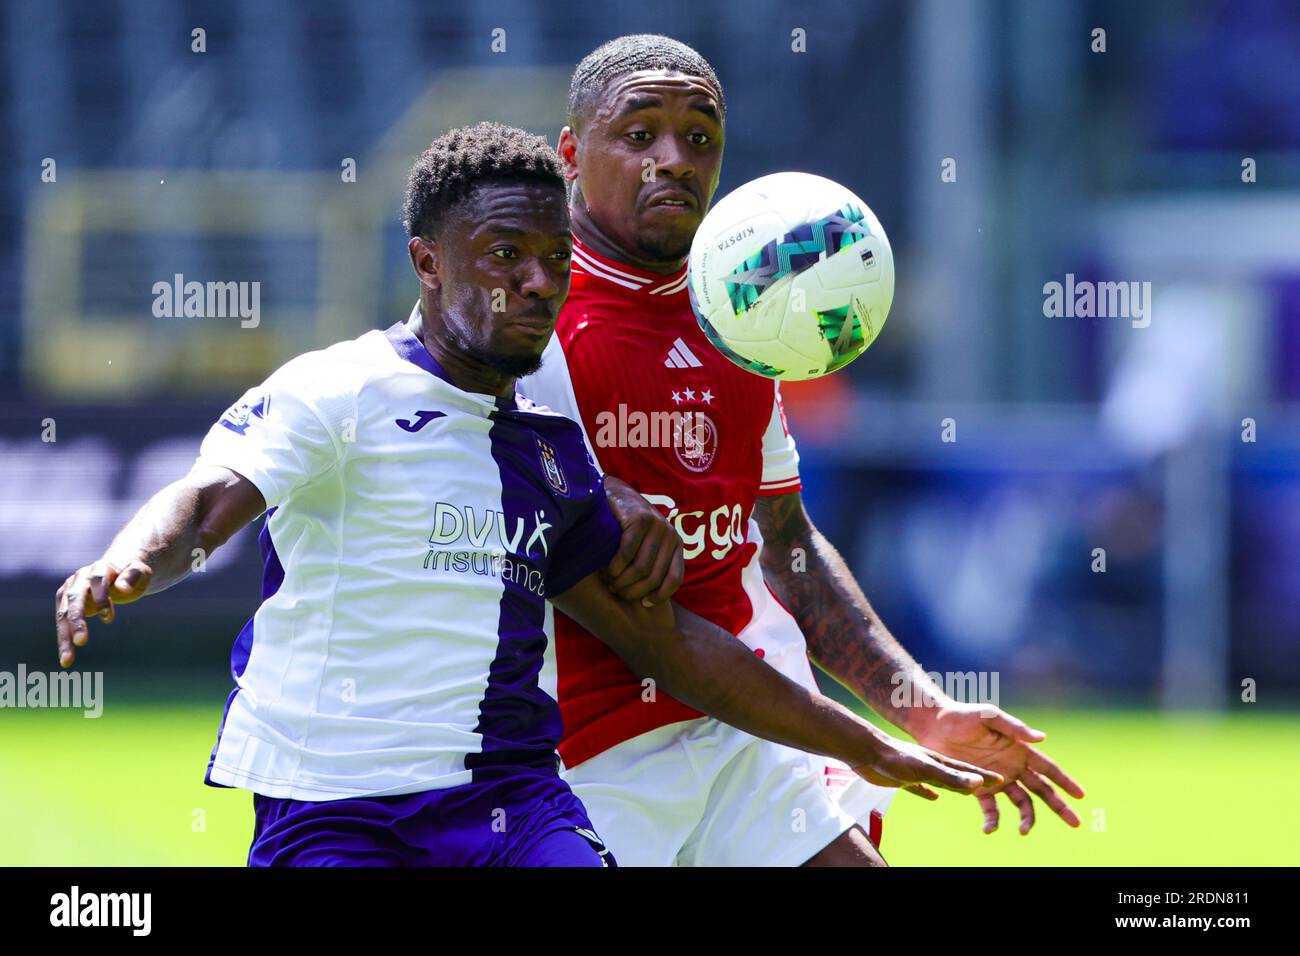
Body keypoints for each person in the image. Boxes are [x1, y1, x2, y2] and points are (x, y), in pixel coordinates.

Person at [54, 122, 999, 867]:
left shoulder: (549, 455)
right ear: (429, 263)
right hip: (329, 797)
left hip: (504, 799)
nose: (537, 283)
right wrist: (132, 560)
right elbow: (211, 499)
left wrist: (875, 742)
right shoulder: (335, 391)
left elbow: (669, 644)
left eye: (554, 260)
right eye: (505, 257)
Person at [517, 35, 1085, 866]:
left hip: (749, 738)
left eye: (699, 137)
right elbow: (620, 601)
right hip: (588, 751)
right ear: (571, 152)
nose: (672, 159)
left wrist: (922, 709)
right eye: (639, 134)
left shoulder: (745, 312)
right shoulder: (528, 321)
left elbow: (785, 546)